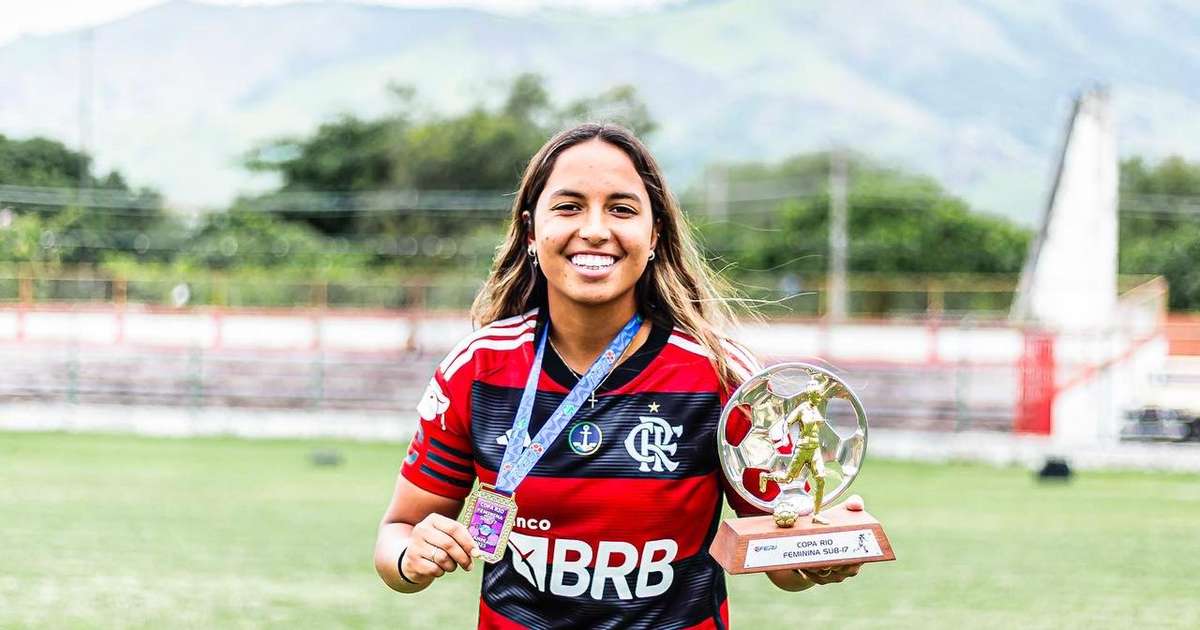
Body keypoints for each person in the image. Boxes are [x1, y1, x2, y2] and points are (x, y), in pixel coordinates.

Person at [374, 123, 861, 629]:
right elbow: (398, 531)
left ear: (653, 236)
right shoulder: (477, 368)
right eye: (568, 206)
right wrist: (411, 558)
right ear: (529, 231)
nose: (594, 229)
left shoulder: (721, 374)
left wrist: (816, 552)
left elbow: (778, 551)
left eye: (621, 209)